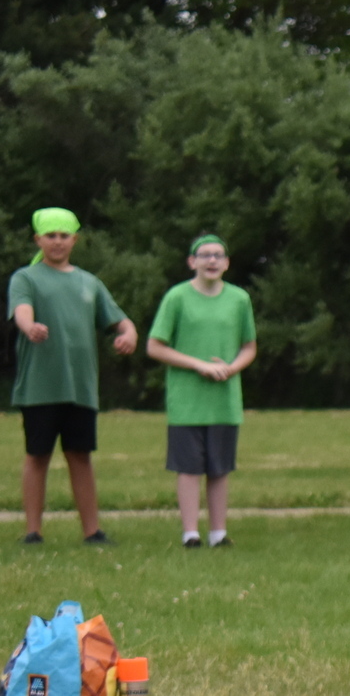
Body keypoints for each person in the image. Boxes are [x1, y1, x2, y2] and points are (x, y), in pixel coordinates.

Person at [9, 208, 137, 545]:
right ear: (38, 239)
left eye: (63, 236)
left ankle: (92, 531)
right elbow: (21, 311)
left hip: (80, 387)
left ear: (74, 240)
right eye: (50, 236)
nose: (57, 242)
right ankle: (33, 531)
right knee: (38, 456)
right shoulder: (27, 278)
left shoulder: (88, 282)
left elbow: (120, 320)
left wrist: (129, 334)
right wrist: (30, 326)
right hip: (40, 386)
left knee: (80, 455)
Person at [145, 235, 256, 549]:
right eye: (204, 255)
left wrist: (231, 368)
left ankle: (218, 533)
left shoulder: (239, 299)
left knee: (220, 467)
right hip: (187, 399)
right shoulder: (177, 297)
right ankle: (190, 532)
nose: (212, 261)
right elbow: (155, 346)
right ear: (192, 261)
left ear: (227, 262)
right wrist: (198, 365)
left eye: (218, 256)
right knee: (189, 466)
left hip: (224, 399)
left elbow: (249, 346)